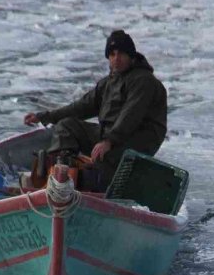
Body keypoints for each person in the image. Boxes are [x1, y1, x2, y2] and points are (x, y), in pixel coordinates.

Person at [24, 29, 167, 191]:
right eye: (112, 54)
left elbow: (131, 115)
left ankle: (95, 185)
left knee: (103, 156)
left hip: (137, 140)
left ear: (131, 56)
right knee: (67, 126)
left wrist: (109, 141)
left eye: (121, 54)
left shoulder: (144, 81)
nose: (116, 59)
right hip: (110, 135)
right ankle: (60, 176)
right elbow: (80, 107)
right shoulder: (108, 83)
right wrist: (44, 117)